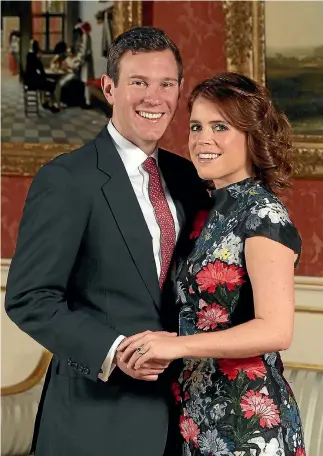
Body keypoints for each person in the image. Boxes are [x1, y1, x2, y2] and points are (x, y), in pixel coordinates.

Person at [5, 26, 209, 456]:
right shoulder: (66, 180)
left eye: (166, 84)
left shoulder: (189, 177)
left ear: (179, 90)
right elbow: (29, 297)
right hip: (95, 421)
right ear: (109, 87)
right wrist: (114, 352)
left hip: (184, 419)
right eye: (138, 82)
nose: (154, 98)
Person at [118, 73, 306, 456]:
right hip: (194, 416)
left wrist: (176, 347)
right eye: (196, 126)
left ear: (252, 137)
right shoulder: (206, 211)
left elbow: (276, 330)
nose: (203, 139)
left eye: (220, 126)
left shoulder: (263, 214)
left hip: (247, 423)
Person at [24, 40, 56, 110]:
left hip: (27, 80)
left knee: (43, 82)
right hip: (33, 82)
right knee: (52, 84)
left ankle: (44, 101)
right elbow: (41, 70)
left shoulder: (29, 55)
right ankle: (51, 104)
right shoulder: (34, 57)